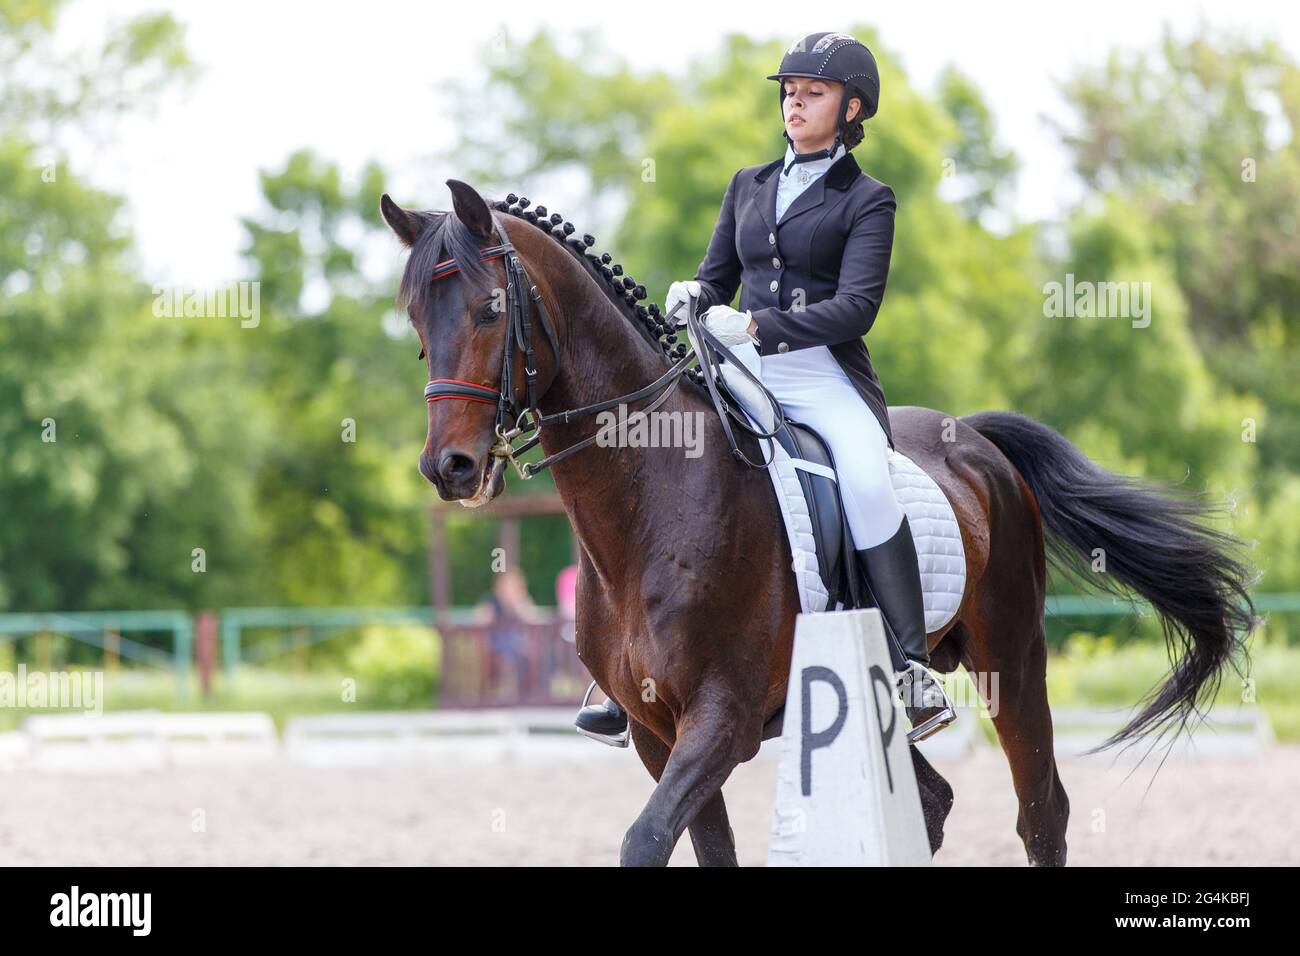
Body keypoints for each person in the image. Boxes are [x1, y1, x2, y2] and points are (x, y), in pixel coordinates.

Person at [576, 31, 956, 746]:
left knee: (869, 483)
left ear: (851, 109)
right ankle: (619, 670)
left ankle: (910, 667)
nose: (795, 104)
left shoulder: (869, 199)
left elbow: (857, 307)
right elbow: (719, 273)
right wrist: (697, 293)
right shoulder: (748, 183)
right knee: (662, 460)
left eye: (812, 93)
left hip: (821, 373)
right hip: (740, 369)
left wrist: (758, 325)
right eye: (789, 93)